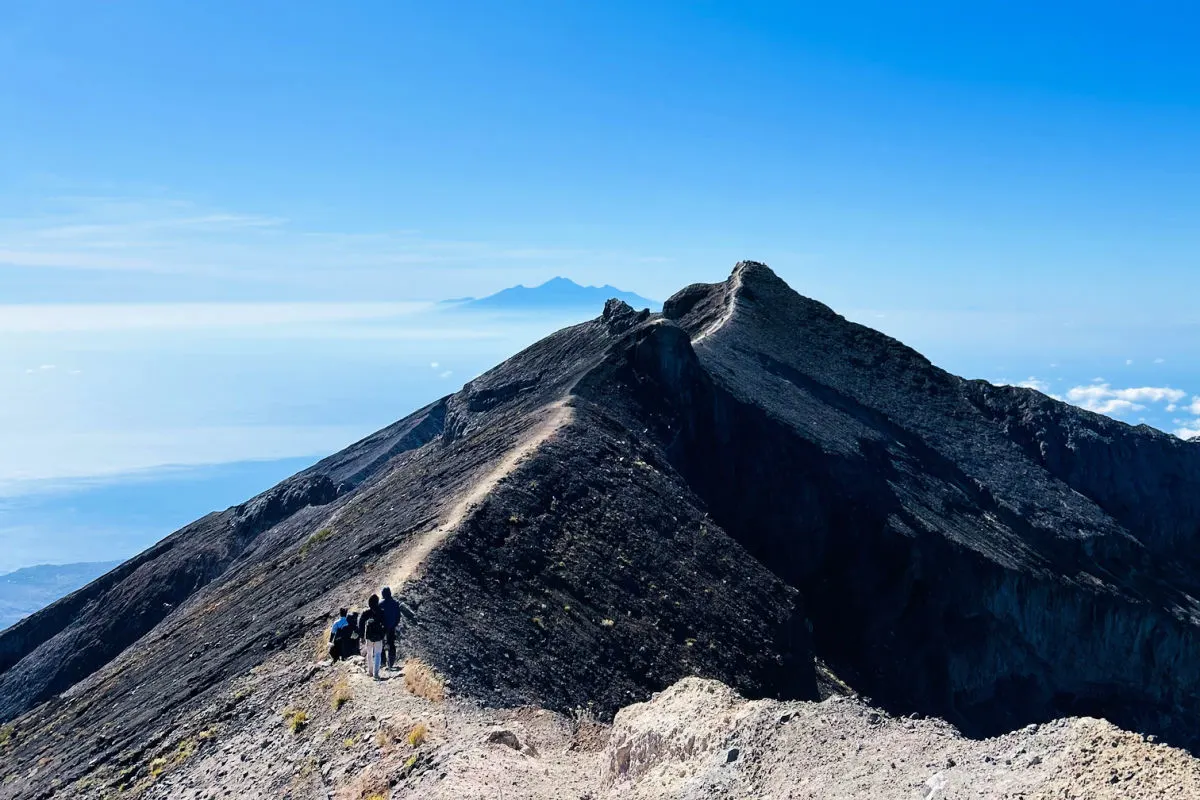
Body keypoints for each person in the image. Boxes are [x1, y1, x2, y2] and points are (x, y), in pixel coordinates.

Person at [358, 594, 386, 679]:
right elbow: (385, 624)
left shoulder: (366, 612)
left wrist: (361, 636)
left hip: (369, 635)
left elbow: (361, 624)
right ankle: (376, 673)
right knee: (378, 654)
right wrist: (384, 635)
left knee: (369, 654)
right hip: (378, 636)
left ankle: (370, 672)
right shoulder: (381, 612)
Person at [379, 586, 401, 669]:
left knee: (380, 644)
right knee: (391, 643)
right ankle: (391, 662)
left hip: (382, 627)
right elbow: (398, 616)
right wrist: (394, 624)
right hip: (392, 627)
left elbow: (378, 616)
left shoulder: (380, 604)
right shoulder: (395, 603)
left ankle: (383, 661)